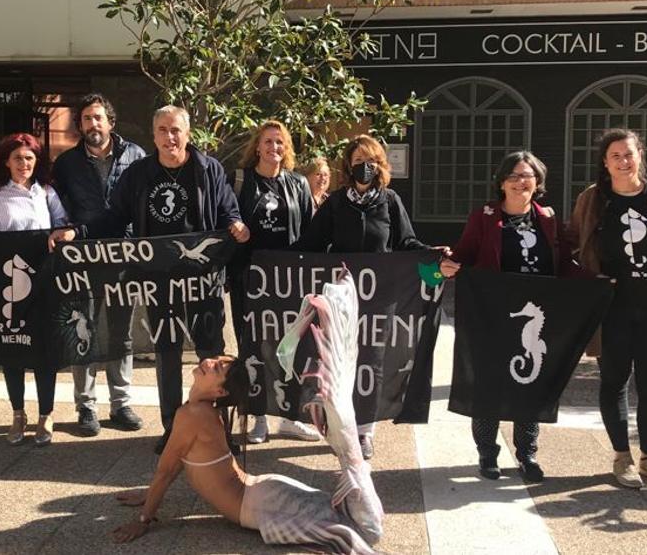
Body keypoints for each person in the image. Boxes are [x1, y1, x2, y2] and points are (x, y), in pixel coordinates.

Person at [110, 273, 383, 554]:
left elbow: (166, 470)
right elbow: (177, 461)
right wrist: (148, 495)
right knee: (356, 523)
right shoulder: (201, 413)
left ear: (220, 393)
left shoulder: (193, 415)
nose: (209, 362)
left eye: (217, 368)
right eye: (217, 361)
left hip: (260, 502)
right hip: (263, 493)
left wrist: (143, 520)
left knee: (365, 531)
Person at [77, 105, 250, 454]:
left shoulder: (208, 169)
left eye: (176, 131)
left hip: (203, 281)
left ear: (187, 134)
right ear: (153, 135)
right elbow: (113, 218)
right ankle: (173, 428)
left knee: (211, 357)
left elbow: (229, 210)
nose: (170, 138)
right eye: (162, 131)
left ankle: (218, 429)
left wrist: (236, 225)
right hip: (159, 282)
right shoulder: (140, 174)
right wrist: (76, 233)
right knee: (167, 355)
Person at [440, 151, 583, 483]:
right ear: (501, 182)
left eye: (528, 175)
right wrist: (445, 265)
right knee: (489, 385)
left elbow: (562, 265)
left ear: (539, 181)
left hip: (534, 315)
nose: (522, 182)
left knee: (529, 384)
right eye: (514, 176)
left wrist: (595, 281)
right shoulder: (485, 217)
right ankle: (487, 454)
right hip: (493, 315)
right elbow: (463, 255)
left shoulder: (547, 218)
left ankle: (527, 453)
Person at [569, 128, 647, 489]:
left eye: (629, 154)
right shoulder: (593, 200)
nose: (624, 162)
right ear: (604, 162)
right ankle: (622, 457)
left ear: (640, 155)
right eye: (615, 156)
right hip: (613, 310)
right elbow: (571, 244)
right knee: (613, 382)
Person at [298, 134, 431, 460]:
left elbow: (407, 243)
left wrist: (435, 258)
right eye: (358, 161)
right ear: (348, 165)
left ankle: (365, 430)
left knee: (372, 362)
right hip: (342, 298)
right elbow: (310, 245)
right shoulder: (336, 204)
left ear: (380, 165)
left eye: (370, 160)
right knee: (338, 363)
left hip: (379, 298)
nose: (364, 167)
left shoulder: (389, 201)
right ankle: (340, 425)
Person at [51, 93, 147, 436]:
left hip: (124, 255)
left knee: (121, 333)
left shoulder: (136, 156)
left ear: (110, 122)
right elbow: (56, 207)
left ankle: (121, 404)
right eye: (87, 119)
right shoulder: (66, 164)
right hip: (83, 257)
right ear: (81, 125)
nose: (93, 124)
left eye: (98, 118)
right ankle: (86, 406)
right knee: (83, 331)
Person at [0, 133, 76, 446]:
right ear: (6, 161)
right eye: (17, 158)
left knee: (44, 350)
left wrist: (64, 233)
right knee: (13, 350)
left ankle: (46, 414)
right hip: (10, 284)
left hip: (44, 283)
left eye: (29, 158)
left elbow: (64, 225)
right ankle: (18, 413)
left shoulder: (46, 193)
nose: (23, 164)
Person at [231, 120, 320, 444]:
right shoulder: (241, 181)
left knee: (292, 349)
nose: (274, 148)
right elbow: (227, 220)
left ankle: (291, 417)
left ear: (287, 148)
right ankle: (258, 418)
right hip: (251, 281)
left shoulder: (298, 185)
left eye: (280, 142)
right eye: (268, 142)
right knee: (253, 348)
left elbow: (312, 231)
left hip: (289, 282)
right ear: (257, 146)